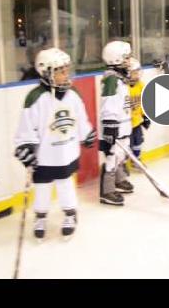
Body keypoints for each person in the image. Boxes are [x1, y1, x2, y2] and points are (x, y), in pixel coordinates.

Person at [14, 48, 96, 239]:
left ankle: (70, 214)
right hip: (44, 155)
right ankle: (40, 216)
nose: (66, 74)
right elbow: (26, 127)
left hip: (67, 151)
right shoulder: (35, 98)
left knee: (65, 184)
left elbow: (80, 119)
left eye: (67, 69)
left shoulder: (73, 93)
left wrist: (87, 134)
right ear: (47, 73)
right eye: (61, 71)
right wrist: (25, 146)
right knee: (42, 187)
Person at [99, 40, 134, 206]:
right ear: (116, 59)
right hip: (115, 127)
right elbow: (109, 103)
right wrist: (110, 125)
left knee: (121, 155)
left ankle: (119, 181)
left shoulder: (121, 79)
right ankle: (107, 191)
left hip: (124, 126)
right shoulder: (112, 80)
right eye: (126, 57)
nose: (129, 60)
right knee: (112, 157)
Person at [128, 58, 150, 170]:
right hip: (126, 124)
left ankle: (136, 160)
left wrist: (146, 116)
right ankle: (122, 165)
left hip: (137, 121)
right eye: (134, 73)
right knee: (127, 144)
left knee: (138, 141)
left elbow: (144, 102)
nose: (137, 75)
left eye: (137, 72)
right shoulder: (123, 87)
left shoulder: (140, 85)